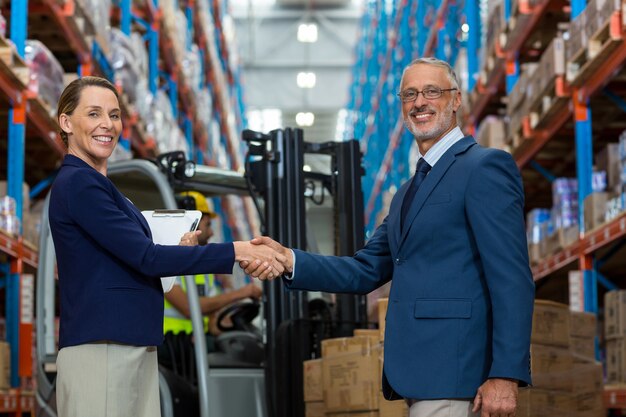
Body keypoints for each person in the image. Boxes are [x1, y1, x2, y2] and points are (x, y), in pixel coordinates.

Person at [243, 57, 535, 417]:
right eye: (409, 94)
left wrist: (505, 374)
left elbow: (512, 277)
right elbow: (364, 269)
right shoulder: (408, 192)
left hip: (458, 375)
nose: (419, 103)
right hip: (420, 375)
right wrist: (290, 260)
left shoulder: (483, 167)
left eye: (432, 91)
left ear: (456, 99)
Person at [49, 76, 284, 417]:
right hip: (102, 351)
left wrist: (182, 251)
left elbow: (135, 258)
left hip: (131, 345)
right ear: (67, 122)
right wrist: (239, 251)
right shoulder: (79, 184)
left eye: (114, 115)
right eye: (94, 113)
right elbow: (147, 257)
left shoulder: (104, 188)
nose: (107, 125)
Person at [163, 191, 262, 338]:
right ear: (192, 223)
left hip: (197, 343)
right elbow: (189, 308)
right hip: (170, 344)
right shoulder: (165, 261)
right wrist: (242, 293)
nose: (210, 233)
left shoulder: (202, 267)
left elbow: (212, 316)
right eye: (208, 225)